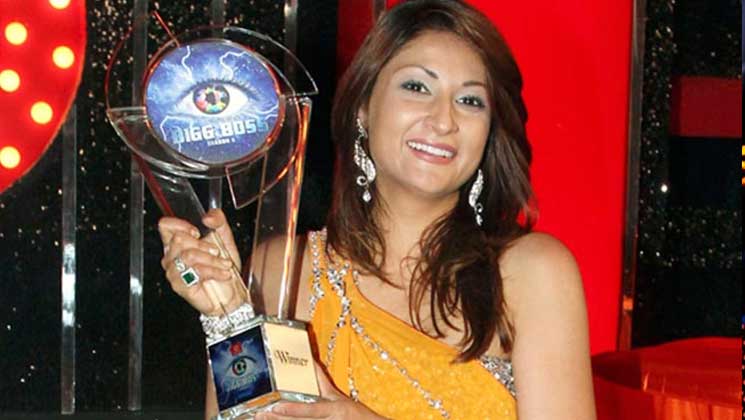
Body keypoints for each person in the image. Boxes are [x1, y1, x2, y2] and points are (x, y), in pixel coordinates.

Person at [157, 1, 596, 419]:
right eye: (417, 87)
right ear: (364, 108)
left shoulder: (530, 275)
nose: (444, 120)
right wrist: (229, 315)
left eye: (470, 101)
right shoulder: (284, 270)